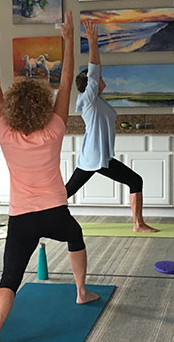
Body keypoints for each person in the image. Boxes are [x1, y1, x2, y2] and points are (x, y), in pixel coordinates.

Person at [0, 11, 99, 342]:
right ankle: (81, 291)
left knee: (9, 277)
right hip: (54, 210)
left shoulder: (4, 133)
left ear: (11, 107)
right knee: (75, 234)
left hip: (22, 216)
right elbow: (66, 82)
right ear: (42, 104)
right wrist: (70, 42)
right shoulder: (54, 129)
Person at [67, 20, 157, 233]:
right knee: (134, 181)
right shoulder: (88, 98)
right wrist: (92, 42)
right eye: (99, 80)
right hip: (93, 158)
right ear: (91, 84)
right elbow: (94, 69)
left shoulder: (98, 101)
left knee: (135, 181)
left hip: (100, 157)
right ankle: (139, 224)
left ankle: (138, 224)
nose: (102, 81)